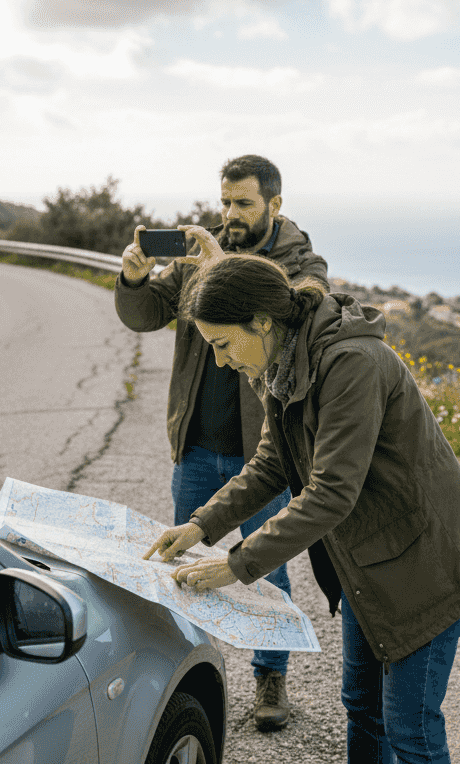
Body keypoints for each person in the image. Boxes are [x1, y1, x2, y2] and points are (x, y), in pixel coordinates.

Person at [142, 228, 460, 764]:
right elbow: (270, 463)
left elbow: (331, 493)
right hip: (368, 563)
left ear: (261, 321)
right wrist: (201, 526)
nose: (219, 362)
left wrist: (236, 565)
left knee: (412, 730)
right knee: (362, 706)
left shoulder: (349, 362)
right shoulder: (282, 361)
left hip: (426, 566)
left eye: (221, 345)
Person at [115, 155, 328, 731]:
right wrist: (135, 279)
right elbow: (147, 314)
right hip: (195, 441)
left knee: (266, 569)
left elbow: (307, 300)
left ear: (275, 206)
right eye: (226, 203)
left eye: (244, 204)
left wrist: (223, 265)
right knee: (183, 563)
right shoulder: (195, 261)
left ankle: (269, 675)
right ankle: (186, 673)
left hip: (262, 450)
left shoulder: (298, 261)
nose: (230, 215)